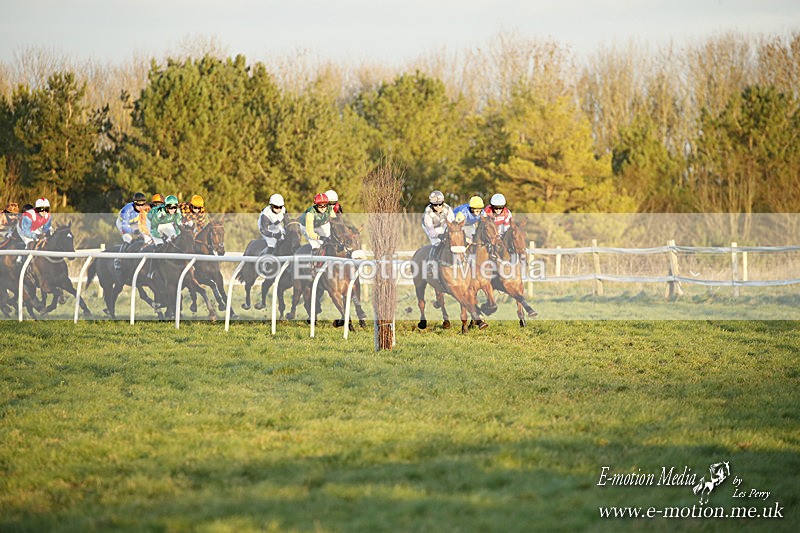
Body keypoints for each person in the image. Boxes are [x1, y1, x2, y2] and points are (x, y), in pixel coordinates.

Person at [114, 192, 148, 268]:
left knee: (145, 237)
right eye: (138, 204)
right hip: (122, 223)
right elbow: (124, 227)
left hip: (134, 223)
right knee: (128, 238)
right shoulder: (127, 209)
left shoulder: (144, 209)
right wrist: (133, 232)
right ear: (134, 203)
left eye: (142, 204)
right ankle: (118, 259)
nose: (140, 207)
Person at [421, 190, 455, 260]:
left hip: (442, 224)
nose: (438, 207)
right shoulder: (427, 213)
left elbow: (452, 224)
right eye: (435, 205)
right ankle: (431, 261)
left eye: (440, 204)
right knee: (437, 243)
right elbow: (431, 232)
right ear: (431, 204)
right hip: (431, 228)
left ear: (443, 203)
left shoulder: (448, 209)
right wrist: (439, 235)